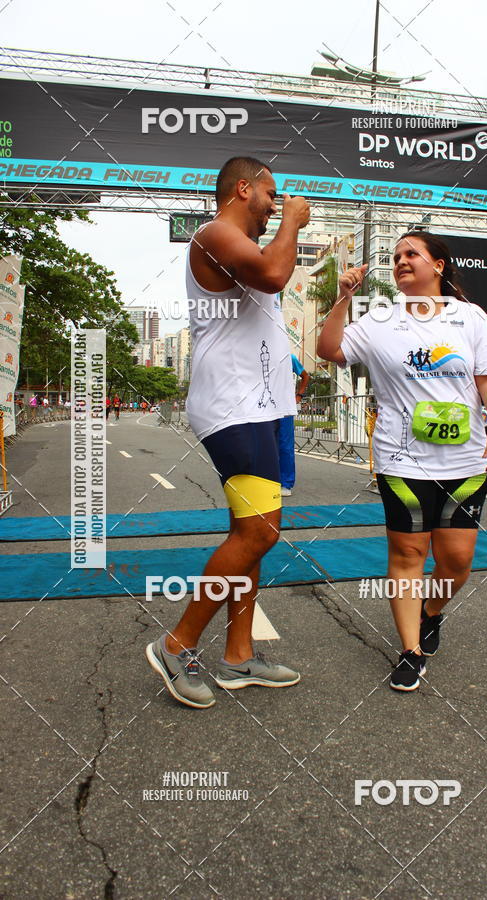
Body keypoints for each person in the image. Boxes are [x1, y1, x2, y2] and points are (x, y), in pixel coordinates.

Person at [146, 156, 310, 708]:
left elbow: (256, 319)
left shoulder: (244, 248)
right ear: (244, 188)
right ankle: (177, 644)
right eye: (271, 195)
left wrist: (288, 381)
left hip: (259, 406)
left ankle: (239, 657)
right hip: (231, 408)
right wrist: (293, 220)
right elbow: (273, 274)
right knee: (260, 532)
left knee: (251, 534)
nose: (274, 207)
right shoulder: (215, 233)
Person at [318, 232, 487, 693]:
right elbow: (330, 351)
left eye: (412, 255)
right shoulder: (380, 319)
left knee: (457, 560)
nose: (401, 262)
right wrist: (344, 299)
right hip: (402, 460)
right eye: (396, 256)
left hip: (464, 461)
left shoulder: (470, 317)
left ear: (438, 265)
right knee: (407, 555)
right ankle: (409, 650)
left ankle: (431, 613)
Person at [279, 353, 309, 496]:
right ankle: (267, 481)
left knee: (285, 445)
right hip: (264, 408)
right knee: (264, 444)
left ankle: (286, 484)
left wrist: (299, 395)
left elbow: (305, 376)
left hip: (285, 408)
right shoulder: (259, 352)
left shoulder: (289, 357)